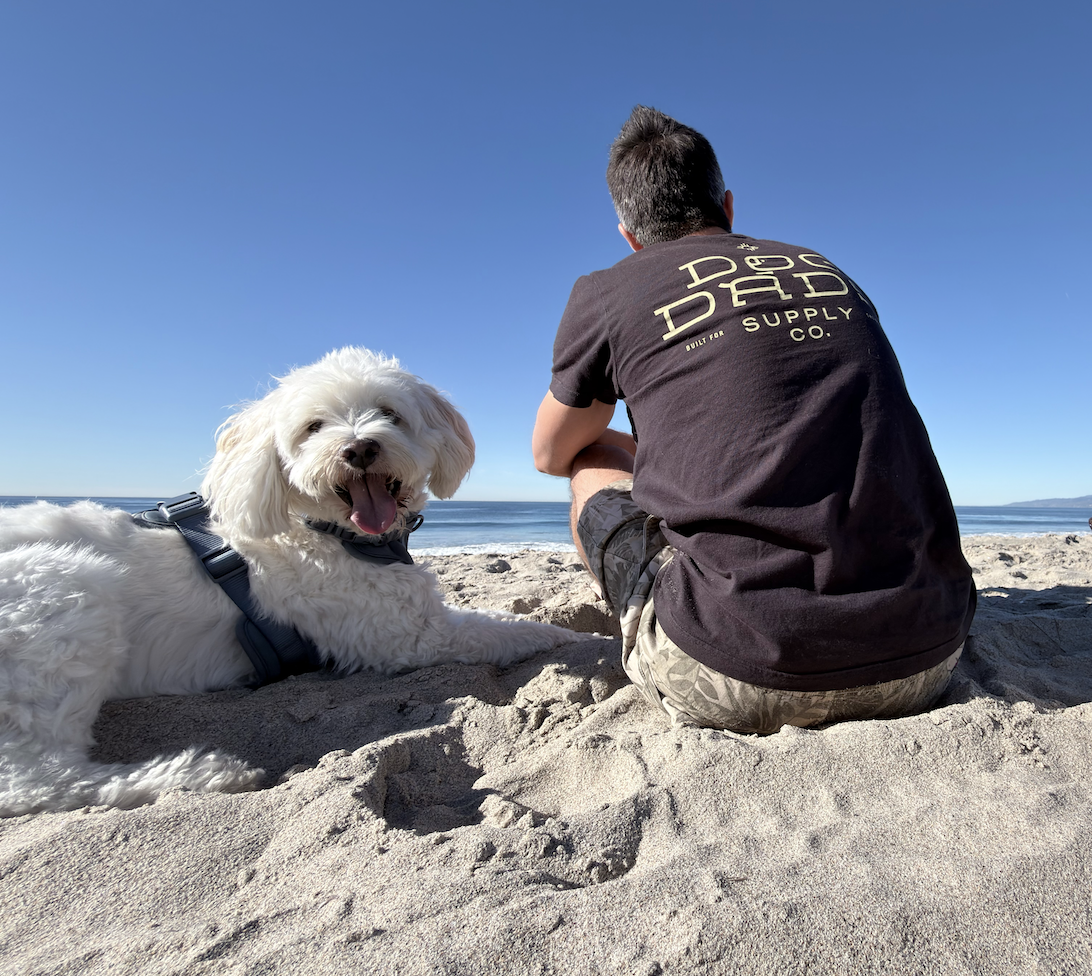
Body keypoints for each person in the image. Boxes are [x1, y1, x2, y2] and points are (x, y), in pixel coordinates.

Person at [532, 105, 976, 734]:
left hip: (741, 674)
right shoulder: (825, 268)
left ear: (629, 234)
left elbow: (549, 453)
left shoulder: (608, 288)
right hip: (931, 652)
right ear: (729, 208)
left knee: (587, 458)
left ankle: (656, 623)